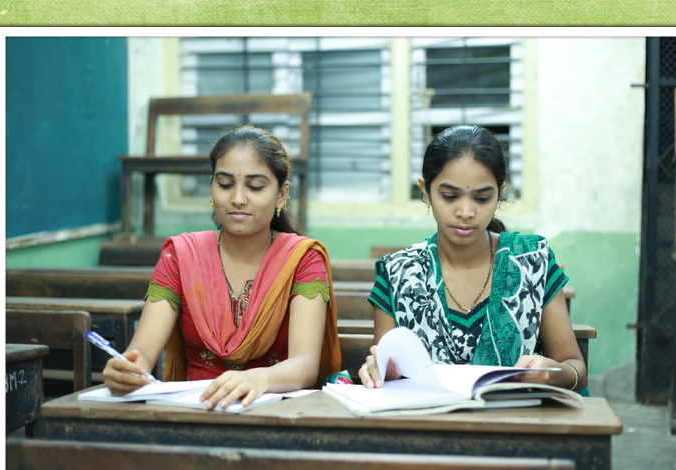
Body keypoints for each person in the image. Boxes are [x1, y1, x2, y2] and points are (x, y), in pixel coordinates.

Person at [103, 124, 341, 409]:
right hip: (195, 411)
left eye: (255, 187)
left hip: (276, 412)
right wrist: (127, 371)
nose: (238, 199)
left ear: (281, 194)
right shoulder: (180, 255)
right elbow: (141, 353)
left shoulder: (302, 258)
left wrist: (259, 379)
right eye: (225, 184)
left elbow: (305, 363)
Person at [360, 125, 588, 395]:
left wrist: (551, 373)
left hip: (518, 424)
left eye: (481, 198)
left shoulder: (531, 262)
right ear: (425, 190)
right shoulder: (398, 273)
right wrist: (382, 370)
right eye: (450, 196)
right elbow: (388, 373)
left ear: (500, 193)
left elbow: (575, 368)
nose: (466, 212)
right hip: (426, 425)